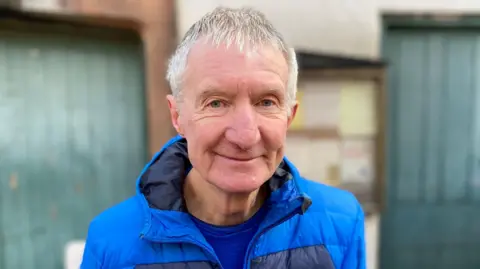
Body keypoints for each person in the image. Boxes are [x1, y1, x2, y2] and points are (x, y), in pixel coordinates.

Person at [80, 6, 365, 269]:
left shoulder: (340, 222)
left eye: (266, 102)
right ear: (177, 116)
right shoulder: (111, 243)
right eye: (216, 103)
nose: (245, 135)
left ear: (289, 117)